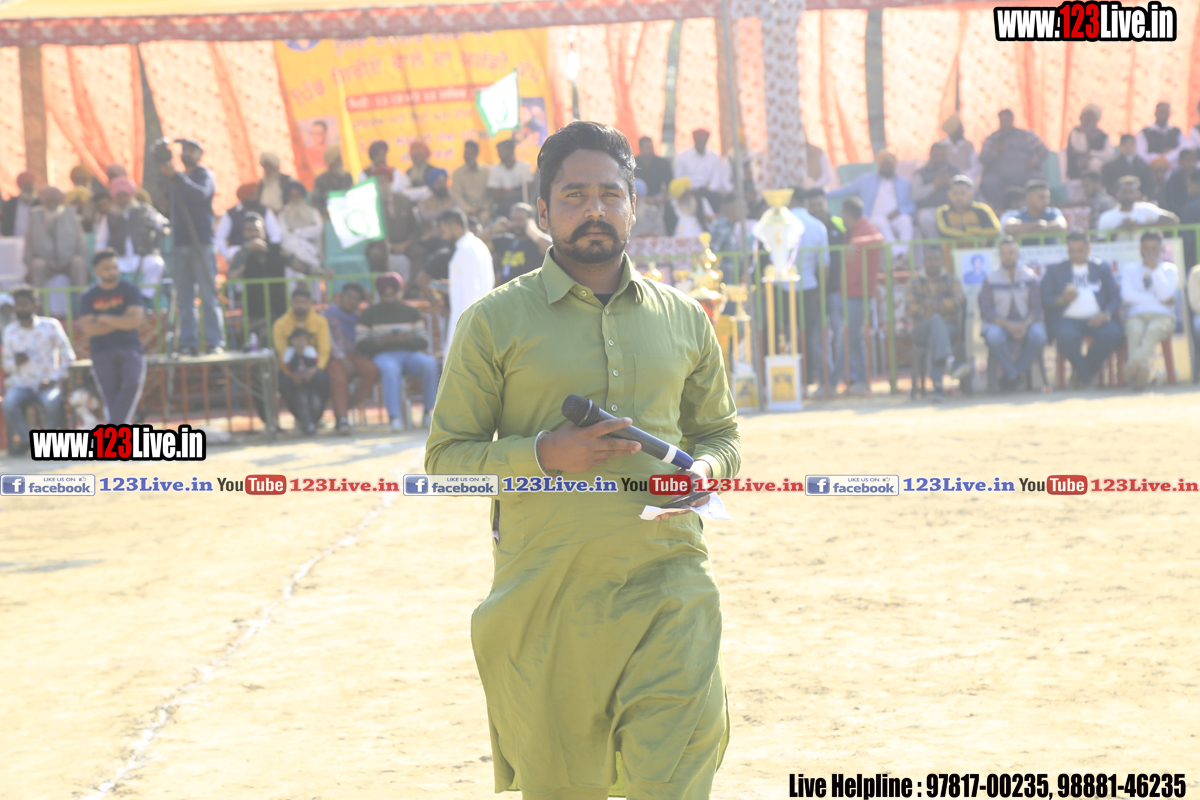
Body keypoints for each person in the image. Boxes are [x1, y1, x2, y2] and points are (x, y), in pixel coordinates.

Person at [425, 120, 740, 800]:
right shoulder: (493, 322)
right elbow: (447, 459)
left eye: (609, 194)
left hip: (671, 585)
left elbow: (720, 433)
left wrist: (707, 471)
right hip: (548, 597)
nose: (594, 209)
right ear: (542, 212)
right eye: (573, 196)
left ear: (634, 206)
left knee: (678, 769)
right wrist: (545, 453)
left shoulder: (684, 317)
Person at [162, 138, 224, 355]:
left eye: (191, 150)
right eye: (184, 150)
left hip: (201, 242)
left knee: (208, 295)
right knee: (185, 298)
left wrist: (176, 176)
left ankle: (215, 342)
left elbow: (200, 195)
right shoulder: (176, 178)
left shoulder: (203, 174)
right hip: (180, 242)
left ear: (199, 154)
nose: (187, 153)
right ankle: (189, 342)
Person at [355, 272, 437, 431]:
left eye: (393, 295)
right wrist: (381, 342)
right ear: (379, 295)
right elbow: (361, 344)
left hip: (410, 354)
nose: (389, 299)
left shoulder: (411, 312)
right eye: (385, 295)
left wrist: (408, 340)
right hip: (383, 355)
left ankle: (428, 412)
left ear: (399, 293)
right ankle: (394, 417)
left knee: (429, 364)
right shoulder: (368, 314)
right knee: (390, 369)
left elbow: (422, 340)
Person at [1040, 231, 1123, 388]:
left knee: (1114, 334)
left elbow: (1115, 298)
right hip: (1066, 319)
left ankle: (1080, 374)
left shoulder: (1102, 268)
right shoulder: (1055, 270)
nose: (1076, 255)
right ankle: (1087, 376)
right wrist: (1062, 299)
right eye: (1072, 251)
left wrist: (1105, 315)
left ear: (1089, 249)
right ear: (1067, 250)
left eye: (1080, 250)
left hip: (1098, 318)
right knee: (1066, 337)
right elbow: (1044, 299)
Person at [228, 212, 330, 337]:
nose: (253, 234)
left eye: (256, 230)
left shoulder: (278, 249)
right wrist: (247, 250)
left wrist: (322, 272)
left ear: (263, 233)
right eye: (249, 230)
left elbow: (299, 264)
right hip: (254, 316)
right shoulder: (240, 254)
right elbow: (233, 276)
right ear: (244, 233)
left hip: (278, 312)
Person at [2, 286, 74, 455]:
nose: (20, 308)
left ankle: (49, 444)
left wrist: (54, 379)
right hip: (21, 384)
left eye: (24, 304)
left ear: (35, 306)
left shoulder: (51, 326)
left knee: (51, 402)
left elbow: (68, 356)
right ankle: (26, 440)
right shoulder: (10, 332)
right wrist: (16, 362)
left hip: (48, 383)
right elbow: (7, 365)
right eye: (17, 305)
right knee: (9, 403)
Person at [78, 249, 146, 424]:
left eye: (115, 267)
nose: (112, 271)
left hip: (130, 348)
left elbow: (135, 321)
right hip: (102, 351)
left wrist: (104, 318)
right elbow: (89, 329)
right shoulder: (89, 296)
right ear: (97, 271)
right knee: (110, 393)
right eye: (107, 268)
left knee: (132, 383)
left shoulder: (129, 290)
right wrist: (121, 319)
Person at [979, 237, 1046, 391]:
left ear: (1018, 254)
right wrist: (1009, 325)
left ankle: (1014, 374)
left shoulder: (1030, 276)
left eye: (1011, 253)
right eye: (1003, 253)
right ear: (999, 256)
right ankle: (1014, 375)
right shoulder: (990, 278)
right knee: (993, 337)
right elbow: (987, 311)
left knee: (1039, 336)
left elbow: (1036, 309)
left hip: (1026, 323)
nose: (1007, 257)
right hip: (1000, 323)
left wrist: (1024, 325)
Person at [1119, 230, 1177, 390]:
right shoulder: (1130, 268)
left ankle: (1133, 367)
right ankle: (1140, 374)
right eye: (1146, 248)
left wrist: (1155, 270)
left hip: (1163, 316)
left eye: (1154, 248)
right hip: (1136, 315)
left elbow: (1166, 295)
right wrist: (1159, 300)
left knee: (1154, 330)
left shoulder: (1169, 269)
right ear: (1140, 249)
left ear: (1161, 249)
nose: (1150, 252)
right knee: (1135, 331)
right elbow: (1127, 296)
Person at [905, 246, 964, 402]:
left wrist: (931, 305)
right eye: (929, 260)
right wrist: (941, 308)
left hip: (949, 328)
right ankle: (950, 362)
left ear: (942, 261)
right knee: (936, 321)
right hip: (921, 330)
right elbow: (910, 309)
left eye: (936, 259)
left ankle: (938, 386)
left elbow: (959, 301)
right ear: (924, 261)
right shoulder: (914, 282)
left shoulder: (951, 279)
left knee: (937, 332)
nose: (932, 263)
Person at [93, 177, 168, 299]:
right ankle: (112, 300)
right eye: (119, 196)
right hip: (119, 258)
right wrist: (102, 257)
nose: (122, 199)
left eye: (125, 195)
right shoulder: (109, 216)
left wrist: (163, 230)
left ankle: (145, 297)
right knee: (103, 269)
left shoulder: (146, 210)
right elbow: (101, 240)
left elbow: (163, 223)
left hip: (143, 256)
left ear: (131, 195)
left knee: (157, 264)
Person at [838, 196, 884, 393]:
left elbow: (879, 239)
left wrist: (856, 242)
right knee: (854, 339)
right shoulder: (853, 229)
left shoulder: (865, 228)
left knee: (849, 338)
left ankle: (833, 381)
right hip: (851, 291)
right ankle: (861, 381)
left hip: (859, 292)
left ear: (846, 213)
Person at [272, 285, 331, 435]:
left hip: (315, 368)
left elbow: (324, 350)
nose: (300, 305)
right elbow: (281, 352)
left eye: (304, 302)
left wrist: (315, 369)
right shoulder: (280, 324)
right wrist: (292, 373)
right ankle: (301, 419)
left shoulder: (320, 322)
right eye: (297, 302)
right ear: (291, 303)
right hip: (290, 369)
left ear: (309, 303)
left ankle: (316, 417)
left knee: (323, 380)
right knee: (284, 384)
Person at [322, 282, 379, 435]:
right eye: (348, 297)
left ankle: (349, 403)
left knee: (372, 371)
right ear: (340, 297)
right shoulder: (327, 315)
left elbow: (376, 315)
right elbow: (327, 340)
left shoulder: (358, 317)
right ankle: (342, 419)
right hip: (334, 357)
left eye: (356, 299)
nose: (351, 301)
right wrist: (342, 358)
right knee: (339, 379)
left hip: (355, 356)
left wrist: (370, 300)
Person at [828, 149, 915, 251]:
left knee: (906, 220)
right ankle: (898, 253)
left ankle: (904, 252)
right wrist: (824, 193)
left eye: (888, 164)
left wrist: (899, 211)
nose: (886, 167)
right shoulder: (866, 180)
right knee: (881, 222)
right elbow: (847, 190)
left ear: (894, 165)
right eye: (883, 165)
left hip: (896, 217)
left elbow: (911, 205)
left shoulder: (904, 183)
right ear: (879, 165)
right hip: (874, 218)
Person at [787, 192, 831, 389]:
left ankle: (788, 382)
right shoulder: (817, 225)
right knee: (810, 336)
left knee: (786, 334)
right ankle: (809, 380)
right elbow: (824, 264)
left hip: (784, 287)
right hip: (810, 286)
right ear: (805, 202)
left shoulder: (781, 223)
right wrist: (821, 291)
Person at [805, 188, 846, 390]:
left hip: (836, 292)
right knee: (817, 339)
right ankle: (826, 381)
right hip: (814, 293)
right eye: (812, 206)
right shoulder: (806, 228)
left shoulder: (839, 226)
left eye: (819, 204)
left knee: (841, 336)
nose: (817, 209)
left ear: (826, 204)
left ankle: (846, 378)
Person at [439, 206, 495, 349]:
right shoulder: (477, 245)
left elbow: (472, 292)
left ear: (454, 227)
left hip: (469, 326)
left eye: (444, 231)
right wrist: (454, 285)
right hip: (479, 321)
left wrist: (467, 331)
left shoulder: (466, 250)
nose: (443, 237)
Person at [979, 109, 1049, 209]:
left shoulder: (1027, 135)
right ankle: (1000, 209)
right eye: (1002, 121)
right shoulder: (992, 138)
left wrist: (1035, 160)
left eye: (1007, 120)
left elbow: (1043, 150)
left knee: (1037, 179)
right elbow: (983, 158)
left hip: (1025, 173)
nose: (1004, 123)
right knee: (988, 182)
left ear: (1012, 120)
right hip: (1000, 177)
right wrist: (995, 152)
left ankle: (1033, 209)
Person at [24, 186, 88, 289]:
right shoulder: (35, 216)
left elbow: (81, 242)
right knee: (37, 265)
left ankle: (82, 298)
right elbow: (29, 243)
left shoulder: (71, 214)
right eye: (49, 199)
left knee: (79, 262)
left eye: (55, 199)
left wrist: (85, 263)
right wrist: (29, 265)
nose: (52, 202)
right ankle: (37, 299)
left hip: (68, 261)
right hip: (46, 262)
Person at [215, 183, 283, 264]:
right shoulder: (231, 214)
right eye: (253, 195)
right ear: (245, 196)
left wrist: (273, 251)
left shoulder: (264, 210)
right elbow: (219, 238)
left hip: (261, 251)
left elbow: (275, 234)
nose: (257, 197)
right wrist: (228, 256)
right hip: (238, 252)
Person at [1096, 176, 1179, 237]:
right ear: (1117, 194)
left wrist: (1140, 226)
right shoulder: (1106, 217)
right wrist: (1120, 229)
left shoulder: (1146, 209)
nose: (1127, 195)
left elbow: (1173, 221)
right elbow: (1101, 244)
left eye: (1131, 192)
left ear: (1138, 195)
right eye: (1124, 192)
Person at [491, 202, 552, 283]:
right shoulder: (506, 240)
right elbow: (478, 244)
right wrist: (492, 229)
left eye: (520, 220)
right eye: (513, 220)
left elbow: (553, 249)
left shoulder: (536, 242)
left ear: (530, 221)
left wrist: (533, 231)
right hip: (506, 289)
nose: (516, 224)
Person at [673, 129, 732, 208]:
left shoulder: (714, 157)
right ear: (695, 141)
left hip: (707, 192)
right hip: (689, 192)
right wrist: (689, 190)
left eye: (703, 141)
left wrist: (708, 189)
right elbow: (678, 178)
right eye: (699, 141)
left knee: (717, 197)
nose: (701, 144)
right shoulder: (682, 156)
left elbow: (716, 180)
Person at [936, 175, 1001, 245]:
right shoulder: (943, 211)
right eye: (955, 193)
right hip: (950, 252)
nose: (959, 197)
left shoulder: (982, 209)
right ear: (949, 195)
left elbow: (995, 230)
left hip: (977, 251)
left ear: (971, 194)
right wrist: (970, 234)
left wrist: (971, 229)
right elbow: (944, 230)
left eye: (962, 193)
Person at [359, 140, 431, 202]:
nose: (382, 158)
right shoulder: (365, 173)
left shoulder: (394, 171)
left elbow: (400, 190)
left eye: (384, 154)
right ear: (373, 157)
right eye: (379, 155)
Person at [1000, 179, 1067, 245]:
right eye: (1041, 197)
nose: (1045, 201)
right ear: (1028, 199)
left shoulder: (1053, 213)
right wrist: (1039, 225)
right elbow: (1009, 227)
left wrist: (1026, 230)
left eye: (1047, 197)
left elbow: (1061, 226)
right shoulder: (1015, 215)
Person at [911, 143, 955, 238]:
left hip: (953, 209)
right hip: (930, 209)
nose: (940, 158)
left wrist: (951, 184)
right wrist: (933, 186)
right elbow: (915, 195)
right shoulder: (921, 173)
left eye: (942, 155)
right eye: (936, 155)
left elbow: (967, 189)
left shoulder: (955, 171)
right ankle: (936, 245)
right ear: (930, 155)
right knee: (924, 217)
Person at [277, 181, 323, 271]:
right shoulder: (282, 216)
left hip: (312, 251)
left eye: (298, 195)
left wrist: (295, 232)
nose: (296, 198)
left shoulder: (314, 212)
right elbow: (284, 235)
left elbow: (316, 231)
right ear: (288, 198)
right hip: (293, 257)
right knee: (291, 244)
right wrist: (306, 230)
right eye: (292, 196)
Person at [1065, 104, 1114, 179]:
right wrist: (1082, 131)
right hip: (1076, 174)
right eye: (1087, 116)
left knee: (1095, 163)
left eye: (1092, 116)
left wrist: (1092, 153)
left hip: (1099, 174)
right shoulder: (1076, 132)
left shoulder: (1103, 136)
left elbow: (1109, 155)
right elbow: (1080, 149)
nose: (1089, 119)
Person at [487, 139, 532, 218]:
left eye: (501, 151)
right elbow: (495, 195)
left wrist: (505, 191)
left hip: (521, 208)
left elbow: (527, 191)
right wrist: (516, 190)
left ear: (510, 150)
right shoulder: (495, 170)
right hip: (502, 210)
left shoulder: (523, 167)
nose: (499, 154)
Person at [451, 140, 491, 222]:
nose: (467, 156)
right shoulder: (457, 173)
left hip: (484, 210)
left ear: (476, 154)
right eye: (465, 153)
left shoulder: (487, 171)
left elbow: (491, 195)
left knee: (485, 217)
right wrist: (470, 211)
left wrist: (484, 208)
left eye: (470, 153)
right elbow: (457, 196)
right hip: (465, 210)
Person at [417, 167, 460, 238]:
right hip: (432, 238)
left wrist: (438, 214)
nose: (442, 185)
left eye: (444, 182)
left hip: (453, 236)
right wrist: (447, 213)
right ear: (431, 185)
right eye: (439, 182)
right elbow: (425, 216)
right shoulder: (423, 202)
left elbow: (460, 213)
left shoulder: (454, 199)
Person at [1137, 102, 1184, 167]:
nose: (1164, 115)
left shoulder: (1177, 131)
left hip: (1174, 169)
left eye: (1166, 112)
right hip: (1151, 169)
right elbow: (1141, 155)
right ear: (1155, 113)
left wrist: (1169, 156)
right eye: (1161, 112)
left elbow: (1183, 149)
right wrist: (1160, 158)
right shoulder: (1144, 133)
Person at [312, 144, 353, 218]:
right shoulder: (320, 180)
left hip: (348, 214)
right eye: (337, 159)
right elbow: (315, 203)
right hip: (328, 218)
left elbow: (353, 197)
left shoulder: (347, 177)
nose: (340, 161)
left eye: (340, 158)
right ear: (331, 161)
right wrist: (325, 211)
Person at [938, 113, 979, 180]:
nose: (963, 130)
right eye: (959, 128)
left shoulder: (969, 145)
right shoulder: (941, 146)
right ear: (952, 130)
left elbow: (975, 166)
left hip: (966, 179)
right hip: (946, 180)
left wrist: (965, 175)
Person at [1160, 148, 1198, 216]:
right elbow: (1171, 201)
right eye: (1187, 160)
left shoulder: (1198, 175)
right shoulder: (1174, 179)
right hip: (1180, 213)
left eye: (1193, 160)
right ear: (1180, 162)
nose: (1191, 163)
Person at [1, 171, 39, 237]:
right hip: (13, 241)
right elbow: (5, 225)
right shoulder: (10, 204)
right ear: (20, 186)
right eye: (26, 184)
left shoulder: (40, 204)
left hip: (35, 242)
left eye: (31, 184)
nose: (29, 187)